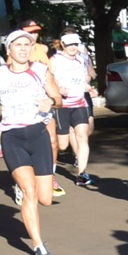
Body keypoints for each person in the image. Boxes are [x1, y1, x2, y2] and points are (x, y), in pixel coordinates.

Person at [0, 29, 63, 255]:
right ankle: (38, 246)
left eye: (27, 45)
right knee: (28, 191)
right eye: (18, 45)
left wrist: (50, 101)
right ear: (8, 50)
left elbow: (59, 100)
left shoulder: (41, 71)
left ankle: (31, 193)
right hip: (12, 137)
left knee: (45, 199)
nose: (23, 49)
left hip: (38, 136)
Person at [49, 31, 97, 185]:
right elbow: (46, 80)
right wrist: (58, 88)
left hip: (79, 104)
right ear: (63, 45)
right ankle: (48, 172)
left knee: (83, 137)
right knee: (62, 144)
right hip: (61, 106)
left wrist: (89, 89)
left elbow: (81, 81)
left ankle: (82, 174)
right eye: (69, 44)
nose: (72, 47)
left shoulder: (81, 60)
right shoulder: (55, 60)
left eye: (75, 44)